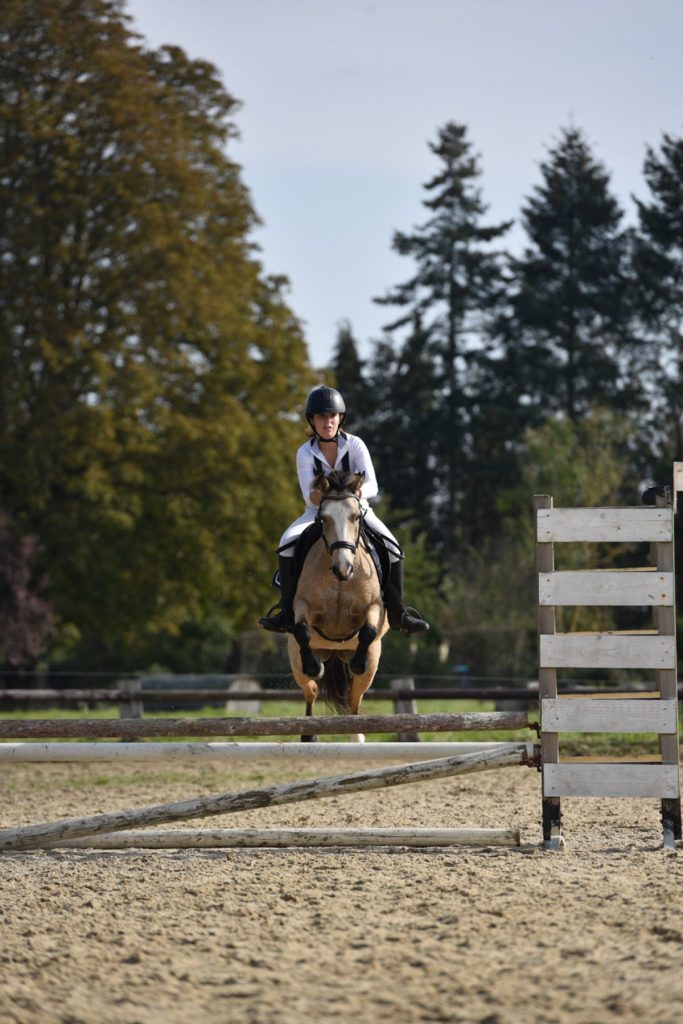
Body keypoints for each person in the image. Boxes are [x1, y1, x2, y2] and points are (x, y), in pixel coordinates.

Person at [259, 385, 429, 636]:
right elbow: (310, 496)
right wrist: (332, 500)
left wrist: (353, 496)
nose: (327, 421)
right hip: (319, 513)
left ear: (340, 418)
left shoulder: (356, 445)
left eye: (332, 416)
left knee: (393, 547)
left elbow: (372, 484)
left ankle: (399, 613)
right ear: (312, 420)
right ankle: (285, 611)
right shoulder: (305, 453)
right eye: (321, 416)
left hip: (357, 510)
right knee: (287, 541)